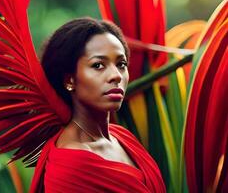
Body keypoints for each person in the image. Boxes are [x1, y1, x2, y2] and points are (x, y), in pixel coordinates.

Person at [29, 17, 166, 193]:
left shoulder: (123, 137)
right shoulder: (70, 167)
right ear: (69, 79)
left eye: (121, 64)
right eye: (99, 65)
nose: (116, 75)